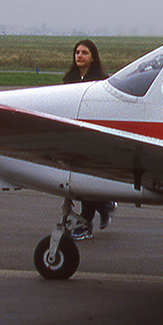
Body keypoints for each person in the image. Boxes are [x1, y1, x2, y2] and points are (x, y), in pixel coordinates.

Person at [62, 39, 115, 239]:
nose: (79, 56)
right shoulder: (68, 80)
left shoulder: (101, 82)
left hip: (92, 138)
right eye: (77, 52)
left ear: (93, 57)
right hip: (74, 137)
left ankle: (86, 222)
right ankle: (105, 205)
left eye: (84, 52)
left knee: (85, 180)